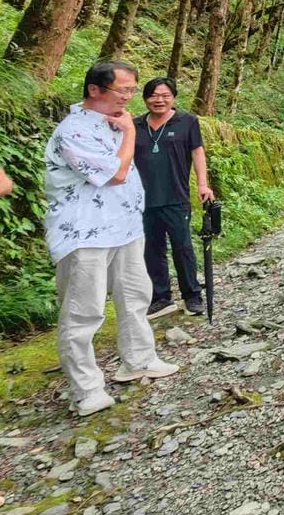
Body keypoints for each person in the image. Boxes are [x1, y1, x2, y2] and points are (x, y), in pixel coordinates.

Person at [43, 60, 178, 416]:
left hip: (125, 226)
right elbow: (116, 174)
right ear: (95, 90)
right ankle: (86, 389)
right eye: (125, 91)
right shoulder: (74, 130)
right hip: (85, 231)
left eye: (133, 90)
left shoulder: (113, 123)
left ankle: (138, 360)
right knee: (83, 311)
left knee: (135, 295)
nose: (131, 97)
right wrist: (132, 134)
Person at [133, 76, 213, 318]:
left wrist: (202, 184)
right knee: (151, 248)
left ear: (173, 98)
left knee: (182, 247)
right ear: (145, 98)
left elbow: (197, 152)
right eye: (154, 96)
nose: (159, 100)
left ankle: (192, 295)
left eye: (165, 95)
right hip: (142, 199)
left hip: (176, 196)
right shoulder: (135, 125)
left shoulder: (187, 121)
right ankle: (161, 297)